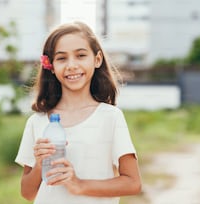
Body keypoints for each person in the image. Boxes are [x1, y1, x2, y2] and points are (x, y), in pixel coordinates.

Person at [15, 21, 141, 204]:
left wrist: (79, 184)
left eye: (81, 55)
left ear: (97, 59)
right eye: (62, 58)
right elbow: (27, 193)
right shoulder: (37, 122)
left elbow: (133, 183)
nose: (71, 65)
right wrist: (40, 164)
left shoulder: (110, 118)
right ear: (51, 65)